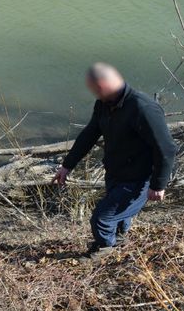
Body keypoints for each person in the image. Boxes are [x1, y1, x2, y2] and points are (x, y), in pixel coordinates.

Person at [52, 63, 176, 261]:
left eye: (94, 89)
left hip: (139, 179)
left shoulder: (143, 108)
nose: (94, 94)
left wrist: (158, 184)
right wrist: (67, 165)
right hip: (116, 173)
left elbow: (167, 149)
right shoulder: (105, 103)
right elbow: (90, 134)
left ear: (102, 85)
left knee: (102, 218)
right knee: (119, 215)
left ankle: (104, 247)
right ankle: (119, 239)